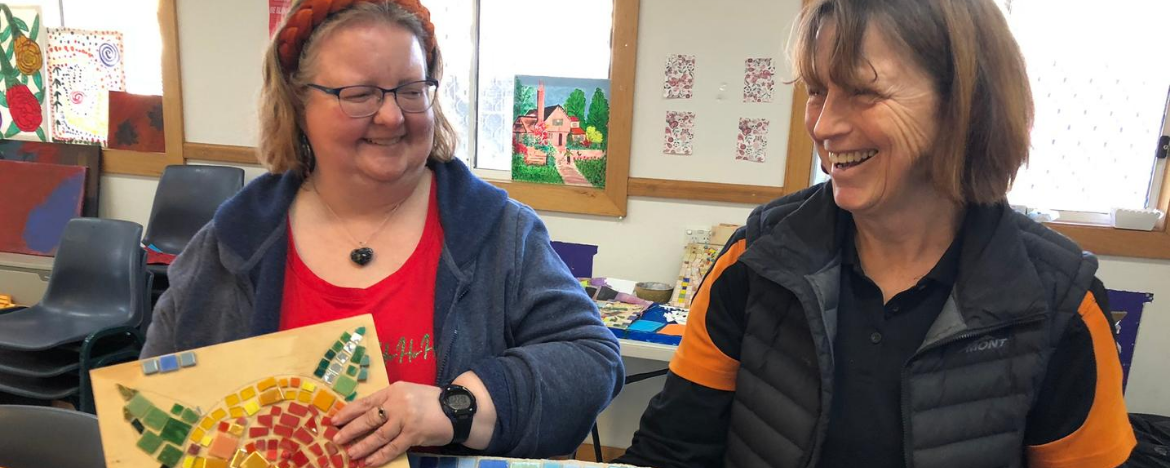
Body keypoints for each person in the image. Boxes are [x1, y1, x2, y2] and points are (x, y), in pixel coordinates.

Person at [615, 0, 1136, 467]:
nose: (823, 126)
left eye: (864, 91)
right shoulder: (756, 258)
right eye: (817, 91)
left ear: (965, 104)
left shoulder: (1057, 300)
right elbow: (670, 451)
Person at [141, 0, 623, 465]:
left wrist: (457, 407)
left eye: (411, 90)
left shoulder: (499, 232)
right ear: (297, 101)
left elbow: (592, 362)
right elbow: (150, 412)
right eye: (360, 94)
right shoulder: (229, 245)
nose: (392, 116)